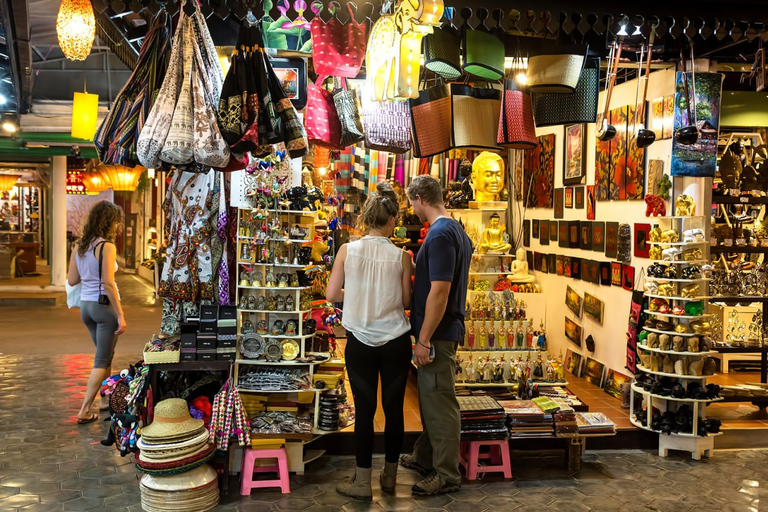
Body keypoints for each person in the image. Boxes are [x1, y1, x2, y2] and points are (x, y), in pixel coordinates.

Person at [326, 182, 413, 501]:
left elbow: (332, 295)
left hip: (360, 342)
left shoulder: (348, 250)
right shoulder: (402, 256)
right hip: (395, 341)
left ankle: (362, 483)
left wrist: (358, 294)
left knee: (364, 411)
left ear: (365, 219)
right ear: (391, 221)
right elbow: (406, 298)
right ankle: (390, 477)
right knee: (394, 410)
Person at [400, 175, 472, 496]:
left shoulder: (441, 234)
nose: (410, 208)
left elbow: (440, 291)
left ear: (419, 198)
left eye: (410, 201)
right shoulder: (454, 229)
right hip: (440, 330)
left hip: (438, 333)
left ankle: (446, 473)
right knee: (431, 397)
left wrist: (424, 338)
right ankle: (425, 456)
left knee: (440, 400)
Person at [67, 201, 126, 424]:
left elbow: (72, 280)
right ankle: (84, 409)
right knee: (101, 359)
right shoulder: (107, 247)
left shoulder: (80, 246)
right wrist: (120, 314)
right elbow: (108, 283)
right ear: (110, 223)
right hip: (104, 309)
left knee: (106, 354)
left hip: (86, 307)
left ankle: (105, 400)